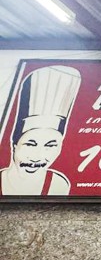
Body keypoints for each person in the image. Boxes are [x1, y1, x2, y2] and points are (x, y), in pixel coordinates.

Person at [0, 65, 81, 196]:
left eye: (50, 146)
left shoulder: (58, 184)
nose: (37, 157)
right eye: (30, 144)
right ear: (14, 144)